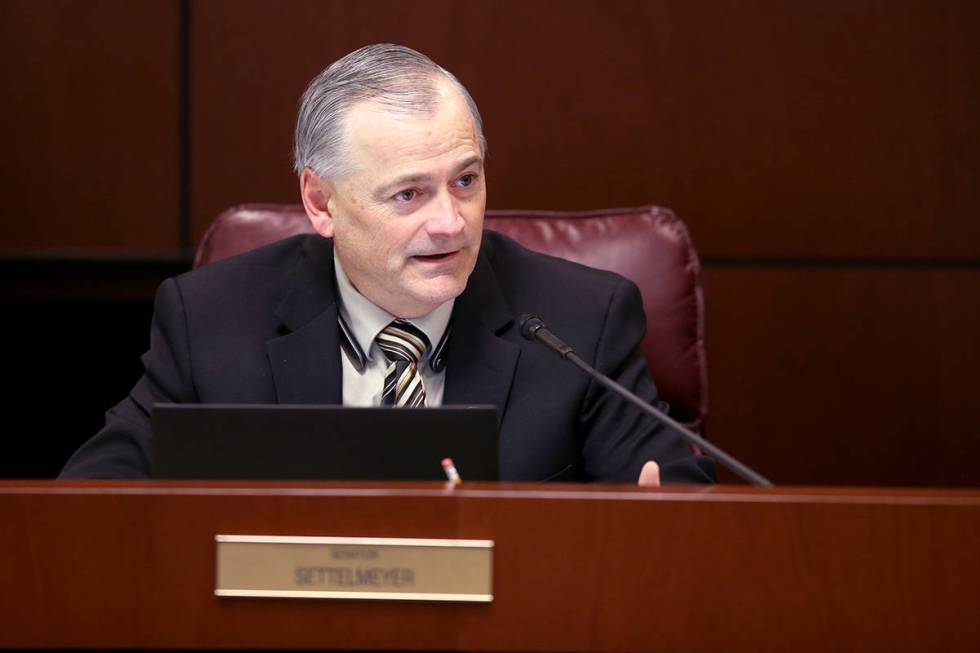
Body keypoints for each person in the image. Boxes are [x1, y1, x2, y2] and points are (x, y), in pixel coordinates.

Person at [60, 44, 714, 485]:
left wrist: (660, 524)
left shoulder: (579, 321)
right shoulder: (212, 319)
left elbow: (671, 500)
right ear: (321, 202)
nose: (450, 223)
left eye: (466, 180)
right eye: (409, 193)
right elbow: (97, 496)